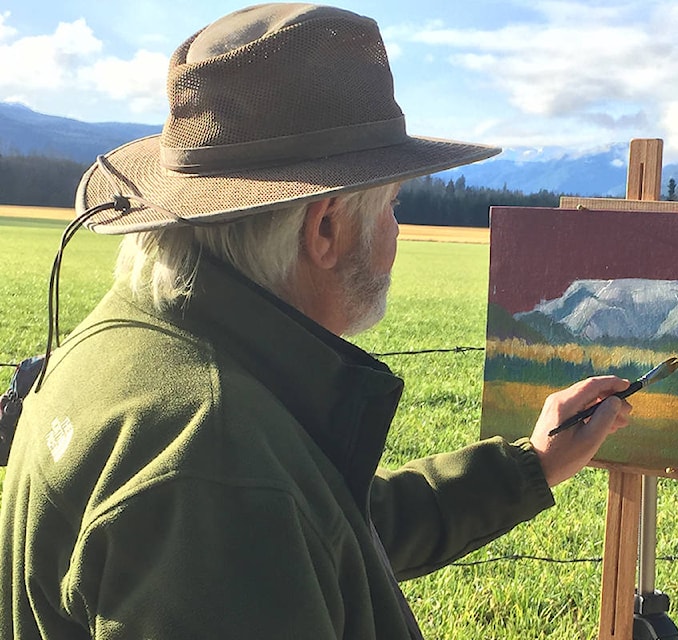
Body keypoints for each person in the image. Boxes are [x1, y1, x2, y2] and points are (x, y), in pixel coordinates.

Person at [0, 5, 632, 638]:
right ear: (325, 228)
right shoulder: (213, 460)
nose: (396, 230)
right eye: (391, 205)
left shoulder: (143, 339)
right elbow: (259, 515)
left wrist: (531, 465)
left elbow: (327, 529)